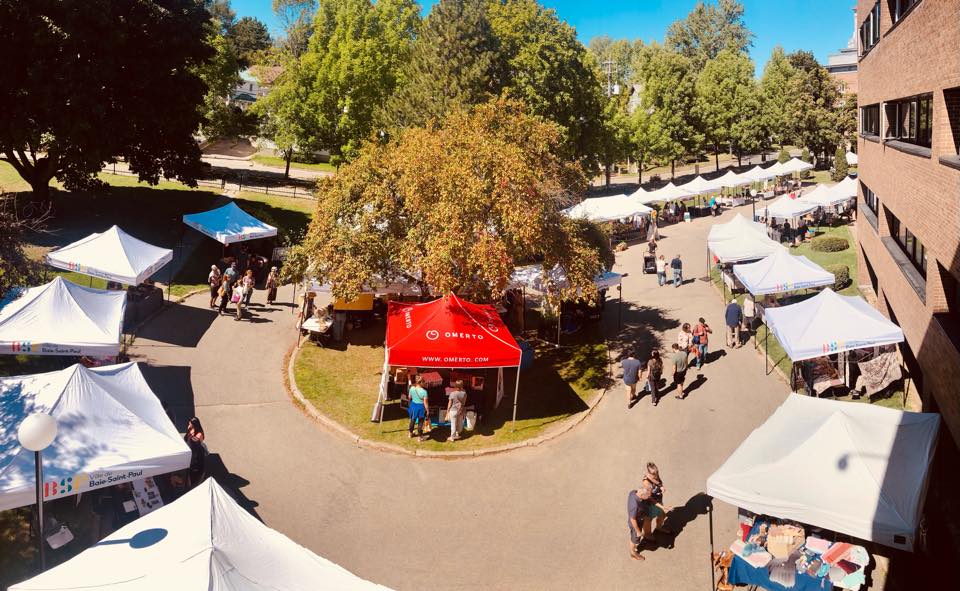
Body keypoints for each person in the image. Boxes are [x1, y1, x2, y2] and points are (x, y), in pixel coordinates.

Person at [642, 463, 671, 538]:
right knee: (648, 521)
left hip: (658, 501)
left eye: (657, 472)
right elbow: (650, 498)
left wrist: (661, 487)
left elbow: (659, 482)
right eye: (654, 473)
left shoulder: (655, 476)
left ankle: (658, 528)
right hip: (650, 505)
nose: (656, 475)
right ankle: (647, 536)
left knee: (661, 516)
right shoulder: (646, 482)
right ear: (648, 473)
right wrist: (661, 506)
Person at [627, 484, 652, 562]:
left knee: (636, 538)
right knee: (634, 539)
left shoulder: (633, 492)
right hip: (636, 524)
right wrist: (638, 531)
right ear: (642, 495)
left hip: (640, 518)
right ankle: (633, 553)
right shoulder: (635, 505)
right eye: (647, 496)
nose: (648, 497)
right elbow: (632, 519)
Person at [184, 417, 206, 487]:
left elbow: (195, 445)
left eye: (190, 423)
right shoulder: (190, 428)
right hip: (189, 449)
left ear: (194, 424)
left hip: (194, 451)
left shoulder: (199, 434)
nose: (189, 423)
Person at [408, 375, 429, 441]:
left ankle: (410, 434)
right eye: (424, 382)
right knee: (420, 422)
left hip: (413, 406)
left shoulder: (412, 388)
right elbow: (425, 403)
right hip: (421, 407)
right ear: (421, 382)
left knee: (412, 420)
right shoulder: (424, 392)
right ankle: (420, 437)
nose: (425, 383)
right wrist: (427, 411)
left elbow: (409, 397)